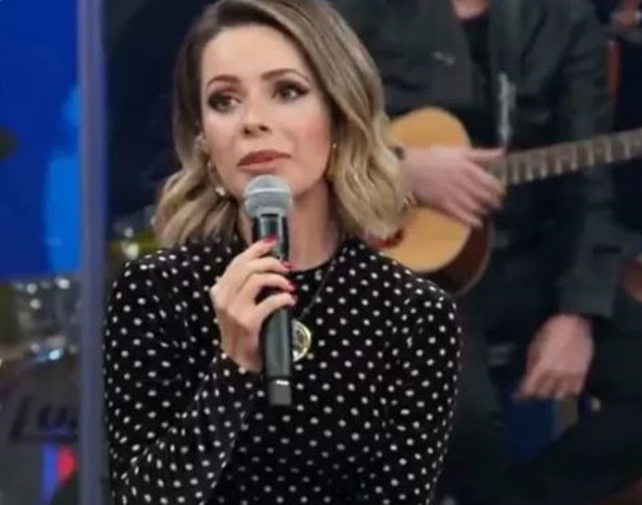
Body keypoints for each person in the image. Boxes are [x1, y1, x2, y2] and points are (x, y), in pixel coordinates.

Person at [326, 0, 642, 504]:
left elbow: (589, 183)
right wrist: (398, 168)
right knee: (459, 416)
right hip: (402, 274)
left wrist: (577, 313)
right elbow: (301, 126)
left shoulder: (565, 17)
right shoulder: (353, 10)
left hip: (528, 260)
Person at [101, 0, 462, 503]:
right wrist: (232, 370)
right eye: (224, 101)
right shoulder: (154, 293)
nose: (252, 121)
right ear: (203, 138)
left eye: (286, 91)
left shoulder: (414, 315)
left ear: (339, 114)